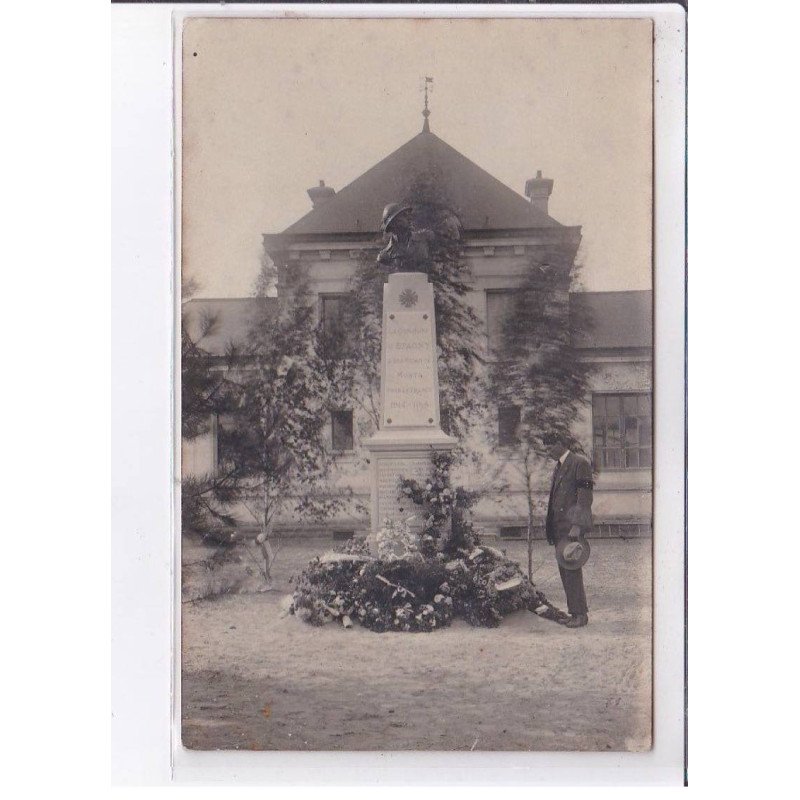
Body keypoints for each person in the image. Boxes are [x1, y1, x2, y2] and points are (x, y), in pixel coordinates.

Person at [544, 434, 594, 628]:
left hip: (571, 527)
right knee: (565, 571)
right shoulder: (559, 466)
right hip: (559, 526)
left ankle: (580, 615)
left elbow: (585, 498)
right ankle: (574, 612)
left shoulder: (580, 463)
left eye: (549, 446)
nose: (547, 451)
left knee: (572, 570)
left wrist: (577, 525)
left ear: (560, 444)